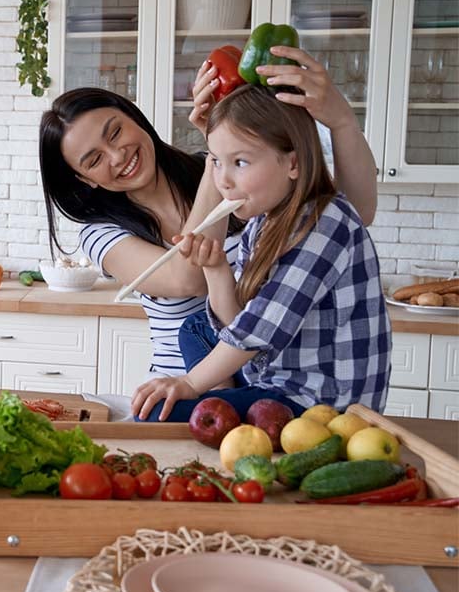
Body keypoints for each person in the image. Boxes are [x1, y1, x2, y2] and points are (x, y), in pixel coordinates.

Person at [40, 47, 378, 383]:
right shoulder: (100, 234)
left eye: (115, 132)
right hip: (181, 387)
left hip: (266, 378)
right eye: (94, 160)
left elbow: (353, 212)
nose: (116, 156)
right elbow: (189, 278)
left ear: (133, 116)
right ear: (84, 179)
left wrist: (342, 122)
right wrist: (217, 156)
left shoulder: (232, 172)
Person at [130, 84, 391, 422]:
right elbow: (236, 318)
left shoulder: (323, 221)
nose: (223, 180)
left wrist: (190, 383)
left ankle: (221, 411)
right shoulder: (261, 220)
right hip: (273, 373)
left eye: (240, 162)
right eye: (215, 161)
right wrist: (216, 269)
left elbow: (254, 333)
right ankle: (223, 406)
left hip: (319, 404)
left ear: (293, 163)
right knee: (195, 327)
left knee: (154, 415)